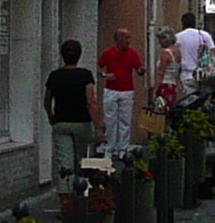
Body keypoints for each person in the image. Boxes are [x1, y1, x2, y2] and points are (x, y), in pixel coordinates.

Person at [44, 39, 101, 174]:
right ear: (79, 55)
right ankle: (82, 189)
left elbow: (47, 101)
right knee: (83, 161)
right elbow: (91, 101)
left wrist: (51, 117)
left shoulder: (54, 76)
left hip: (61, 123)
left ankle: (66, 191)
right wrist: (98, 128)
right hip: (82, 123)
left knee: (65, 163)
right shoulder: (85, 75)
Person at [97, 25, 143, 153]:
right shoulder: (108, 53)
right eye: (126, 38)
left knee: (125, 120)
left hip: (127, 90)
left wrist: (141, 70)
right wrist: (105, 75)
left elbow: (138, 68)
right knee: (110, 120)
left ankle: (123, 148)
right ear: (118, 39)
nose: (129, 41)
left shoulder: (132, 53)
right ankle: (110, 147)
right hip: (111, 90)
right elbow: (99, 67)